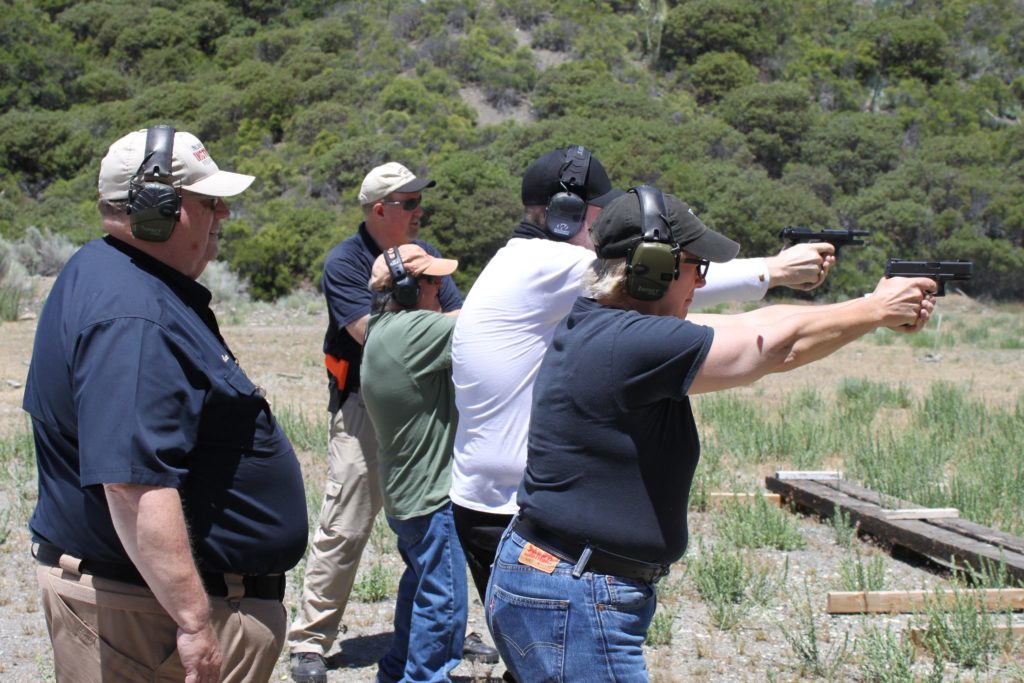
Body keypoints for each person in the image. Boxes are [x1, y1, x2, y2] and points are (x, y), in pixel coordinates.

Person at [484, 186, 936, 681]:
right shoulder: (629, 343)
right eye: (695, 266)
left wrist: (872, 306)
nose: (700, 282)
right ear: (652, 267)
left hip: (560, 579)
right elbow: (770, 348)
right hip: (575, 590)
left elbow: (762, 325)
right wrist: (876, 311)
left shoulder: (605, 324)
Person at [449, 146, 837, 606]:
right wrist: (776, 270)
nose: (608, 225)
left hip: (494, 498)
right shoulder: (544, 264)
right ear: (566, 215)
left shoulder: (519, 262)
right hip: (507, 506)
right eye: (600, 211)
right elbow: (651, 277)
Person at [23, 126, 308, 683]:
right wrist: (194, 622)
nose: (223, 214)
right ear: (159, 209)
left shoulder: (114, 274)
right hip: (150, 623)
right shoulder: (132, 317)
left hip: (142, 610)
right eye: (209, 202)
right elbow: (133, 486)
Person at [288, 162, 478, 683]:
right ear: (379, 210)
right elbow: (375, 333)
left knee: (436, 525)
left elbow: (449, 317)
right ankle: (310, 639)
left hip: (422, 402)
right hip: (360, 407)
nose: (420, 212)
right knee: (346, 520)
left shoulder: (422, 256)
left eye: (419, 201)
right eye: (409, 203)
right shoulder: (345, 262)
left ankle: (441, 630)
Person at [361, 244, 467, 683]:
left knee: (420, 586)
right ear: (406, 289)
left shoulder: (380, 329)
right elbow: (487, 323)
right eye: (433, 281)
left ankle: (394, 671)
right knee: (444, 603)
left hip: (406, 494)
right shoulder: (415, 330)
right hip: (430, 497)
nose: (441, 287)